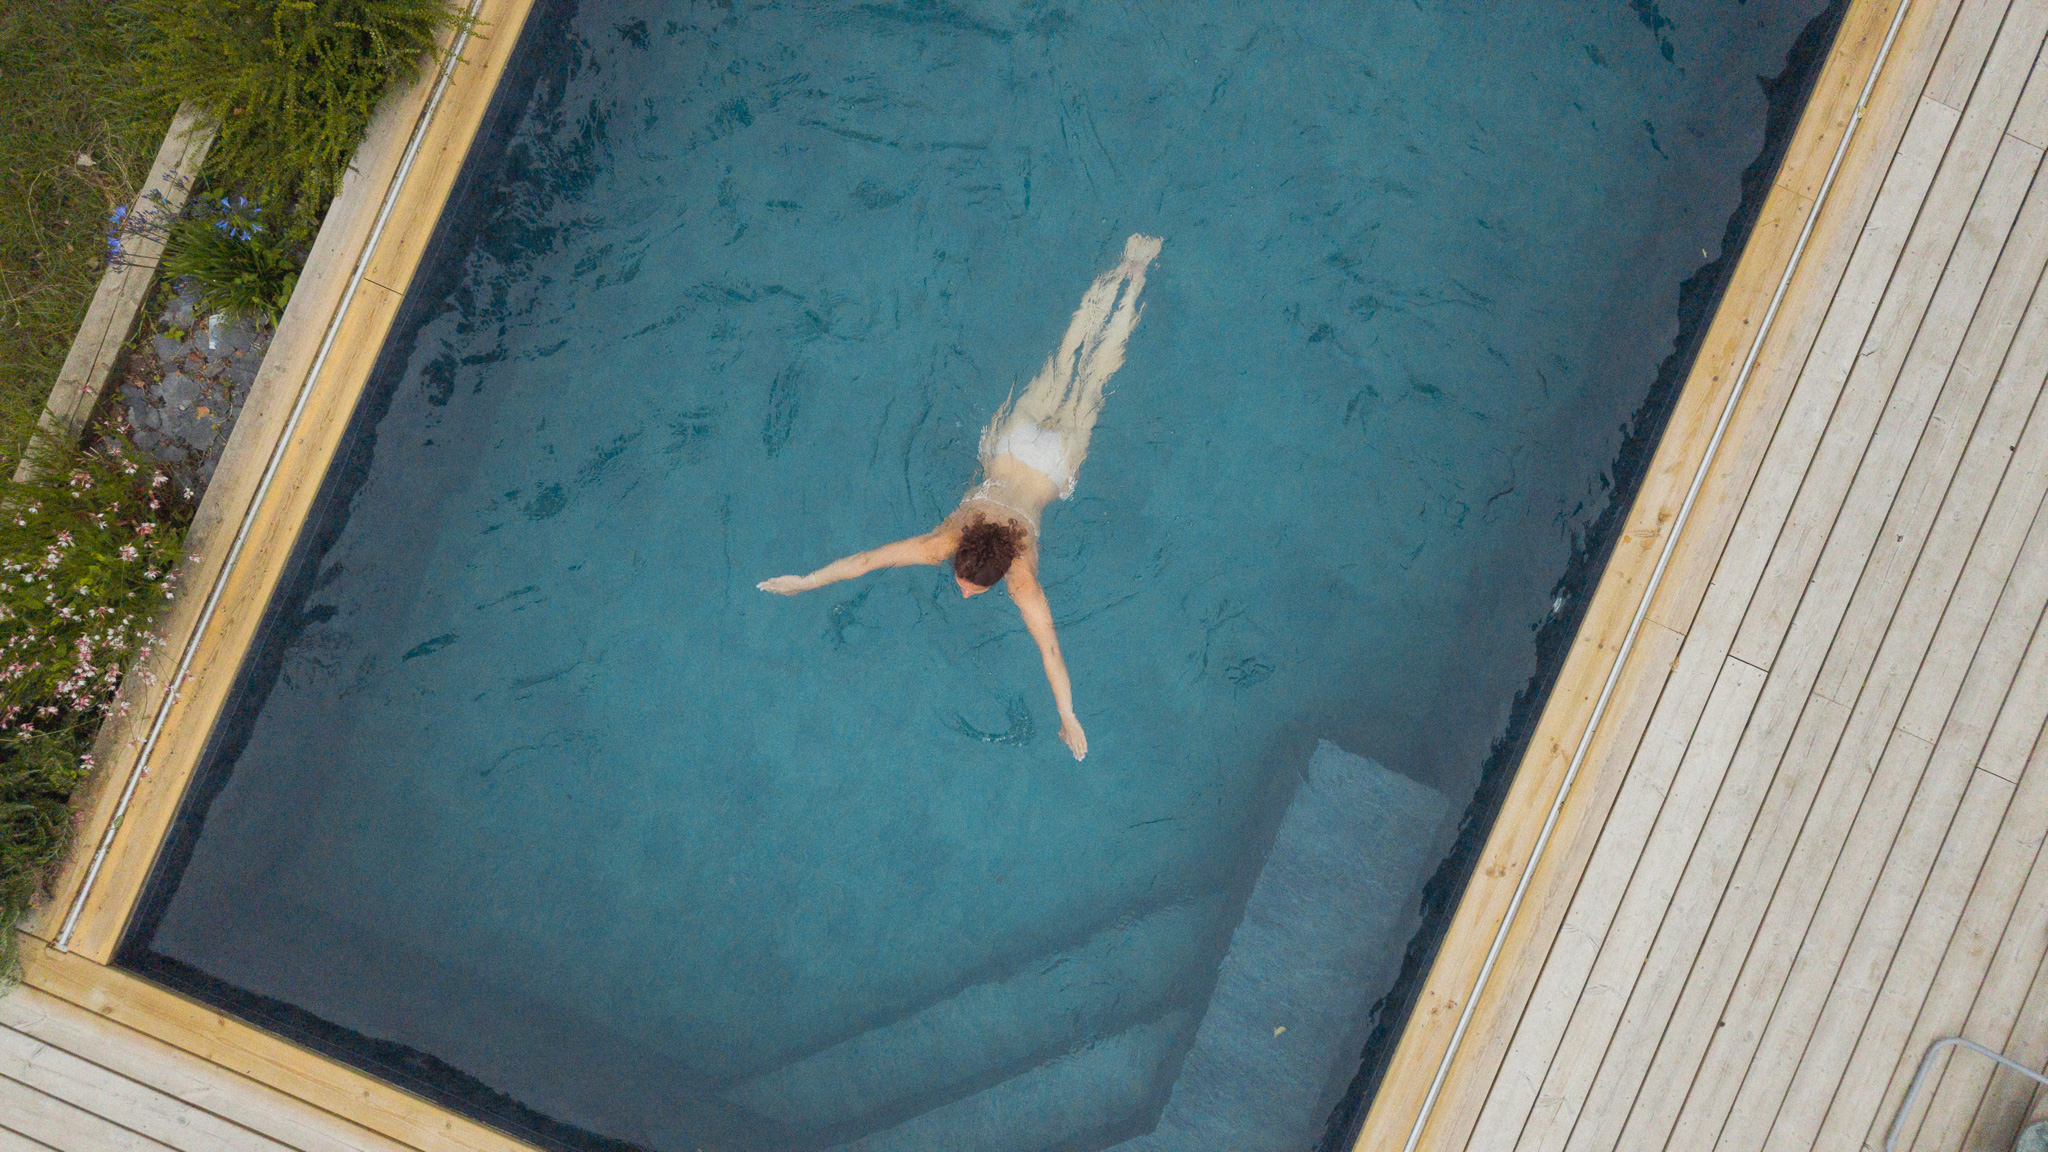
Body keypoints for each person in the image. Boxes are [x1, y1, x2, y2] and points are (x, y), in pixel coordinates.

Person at [758, 234, 1163, 761]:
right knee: (1083, 373)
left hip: (1041, 459)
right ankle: (1134, 273)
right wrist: (1066, 714)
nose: (966, 593)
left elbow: (865, 562)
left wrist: (808, 581)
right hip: (1020, 453)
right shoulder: (975, 557)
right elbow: (1052, 653)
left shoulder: (995, 567)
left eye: (969, 587)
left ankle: (1127, 272)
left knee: (1075, 368)